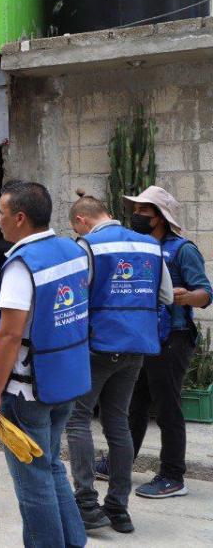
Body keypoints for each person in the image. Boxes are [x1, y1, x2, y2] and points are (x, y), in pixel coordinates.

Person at [0, 181, 90, 548]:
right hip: (65, 382)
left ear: (21, 218)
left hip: (27, 392)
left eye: (1, 213)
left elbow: (9, 337)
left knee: (33, 482)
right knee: (52, 466)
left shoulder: (20, 267)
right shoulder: (71, 251)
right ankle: (73, 541)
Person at [66, 193, 172, 534]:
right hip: (136, 346)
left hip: (97, 345)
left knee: (78, 419)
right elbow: (166, 297)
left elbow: (75, 298)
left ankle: (86, 504)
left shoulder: (88, 246)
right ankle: (119, 509)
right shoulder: (149, 246)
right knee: (118, 423)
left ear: (82, 221)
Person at [124, 185, 211, 500]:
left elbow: (205, 293)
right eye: (136, 210)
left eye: (143, 211)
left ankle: (173, 476)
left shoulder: (182, 250)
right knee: (134, 404)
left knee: (167, 409)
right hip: (144, 338)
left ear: (159, 217)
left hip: (173, 339)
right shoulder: (140, 247)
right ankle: (122, 463)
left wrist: (184, 296)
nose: (136, 215)